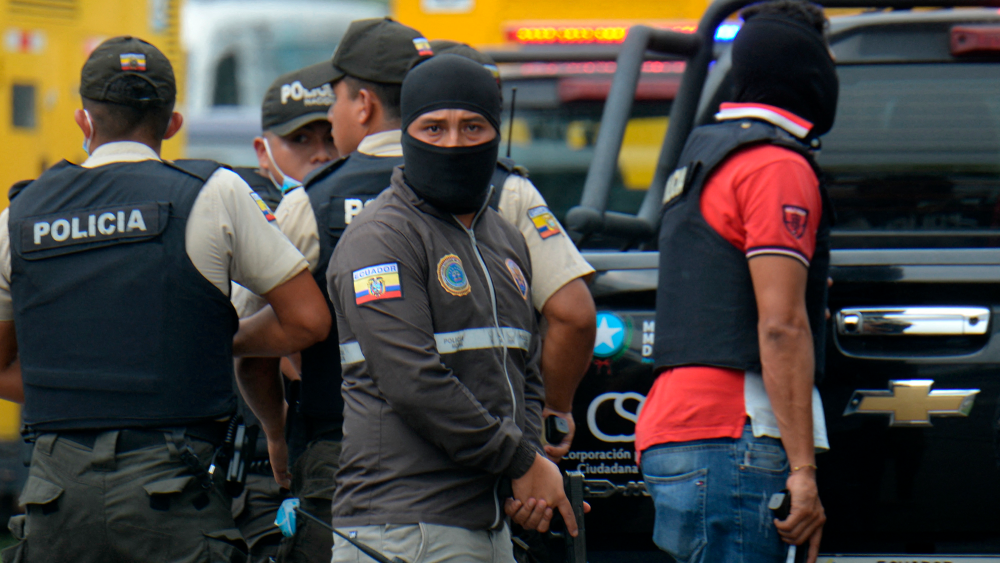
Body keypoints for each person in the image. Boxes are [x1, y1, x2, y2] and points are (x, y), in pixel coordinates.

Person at [0, 36, 330, 562]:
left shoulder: (18, 217)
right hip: (174, 494)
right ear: (172, 123)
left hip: (56, 500)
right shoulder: (213, 193)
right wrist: (213, 346)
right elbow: (309, 321)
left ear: (85, 121)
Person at [326, 53, 579, 563]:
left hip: (484, 528)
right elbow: (411, 379)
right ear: (406, 134)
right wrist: (522, 461)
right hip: (403, 528)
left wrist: (526, 472)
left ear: (497, 133)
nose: (453, 143)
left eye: (472, 127)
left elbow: (524, 370)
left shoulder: (504, 239)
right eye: (434, 127)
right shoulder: (381, 238)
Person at [636, 2, 838, 563]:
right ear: (804, 66)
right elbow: (780, 325)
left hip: (679, 433)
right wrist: (803, 470)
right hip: (735, 437)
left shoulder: (704, 152)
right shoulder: (775, 165)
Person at [268, 17, 433, 562]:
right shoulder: (499, 188)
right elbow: (571, 313)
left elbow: (263, 329)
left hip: (343, 452)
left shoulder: (309, 201)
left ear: (362, 105)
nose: (333, 113)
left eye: (335, 100)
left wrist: (275, 431)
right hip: (472, 458)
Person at [429, 40, 597, 462]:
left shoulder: (331, 193)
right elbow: (573, 315)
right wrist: (550, 410)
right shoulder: (510, 191)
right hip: (496, 436)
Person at [227, 64, 337, 563]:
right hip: (262, 467)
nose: (320, 152)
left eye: (331, 136)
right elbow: (250, 345)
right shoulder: (238, 222)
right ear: (263, 151)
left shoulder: (359, 207)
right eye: (301, 139)